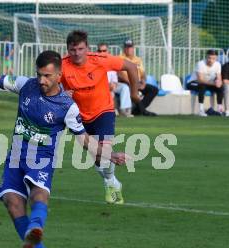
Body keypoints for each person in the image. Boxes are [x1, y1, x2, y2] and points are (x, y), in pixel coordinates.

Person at [0, 50, 129, 248]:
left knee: (38, 193)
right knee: (12, 202)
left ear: (59, 75)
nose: (42, 80)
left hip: (41, 157)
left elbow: (85, 141)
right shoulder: (25, 85)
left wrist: (110, 154)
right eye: (39, 74)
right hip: (16, 155)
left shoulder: (67, 106)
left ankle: (36, 226)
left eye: (48, 76)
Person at [61, 31, 139, 205]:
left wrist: (134, 93)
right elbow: (48, 85)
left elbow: (131, 67)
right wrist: (61, 94)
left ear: (87, 48)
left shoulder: (100, 59)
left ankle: (110, 183)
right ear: (67, 50)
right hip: (78, 116)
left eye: (81, 49)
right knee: (97, 156)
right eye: (73, 50)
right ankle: (112, 181)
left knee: (104, 151)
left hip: (103, 111)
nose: (77, 53)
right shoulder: (62, 66)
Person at [118, 39, 158, 116]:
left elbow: (143, 73)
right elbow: (119, 74)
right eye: (127, 47)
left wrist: (143, 82)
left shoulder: (138, 59)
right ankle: (144, 111)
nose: (128, 49)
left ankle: (137, 111)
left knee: (153, 89)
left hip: (137, 82)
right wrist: (132, 83)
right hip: (127, 83)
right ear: (124, 48)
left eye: (130, 47)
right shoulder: (120, 58)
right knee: (133, 91)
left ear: (133, 48)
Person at [97, 43, 133, 117]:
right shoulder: (95, 62)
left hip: (111, 84)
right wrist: (107, 85)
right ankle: (112, 111)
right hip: (100, 86)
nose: (102, 53)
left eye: (104, 50)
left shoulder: (111, 61)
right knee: (110, 92)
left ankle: (124, 110)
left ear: (108, 51)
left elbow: (114, 77)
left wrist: (114, 84)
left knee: (124, 87)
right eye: (100, 51)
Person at [186, 49, 224, 117]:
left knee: (220, 87)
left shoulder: (218, 64)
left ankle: (220, 110)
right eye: (209, 58)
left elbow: (219, 77)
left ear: (216, 58)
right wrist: (214, 83)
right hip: (193, 83)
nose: (211, 60)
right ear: (206, 57)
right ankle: (201, 110)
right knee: (202, 86)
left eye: (213, 58)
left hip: (208, 83)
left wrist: (219, 82)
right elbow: (200, 80)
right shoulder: (201, 64)